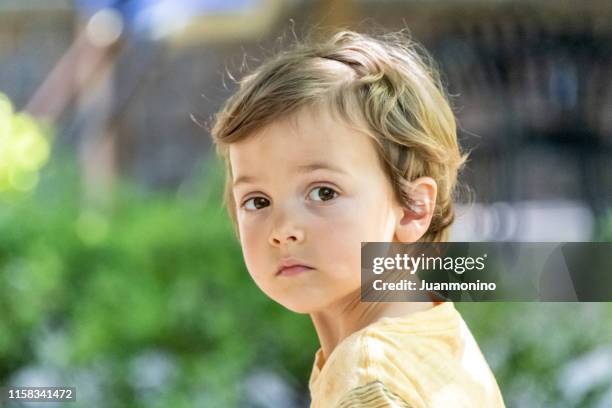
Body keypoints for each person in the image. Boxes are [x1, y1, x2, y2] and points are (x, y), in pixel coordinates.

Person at [210, 30, 505, 407]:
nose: (282, 230)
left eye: (323, 193)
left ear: (413, 207)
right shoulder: (438, 338)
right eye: (257, 201)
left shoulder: (367, 376)